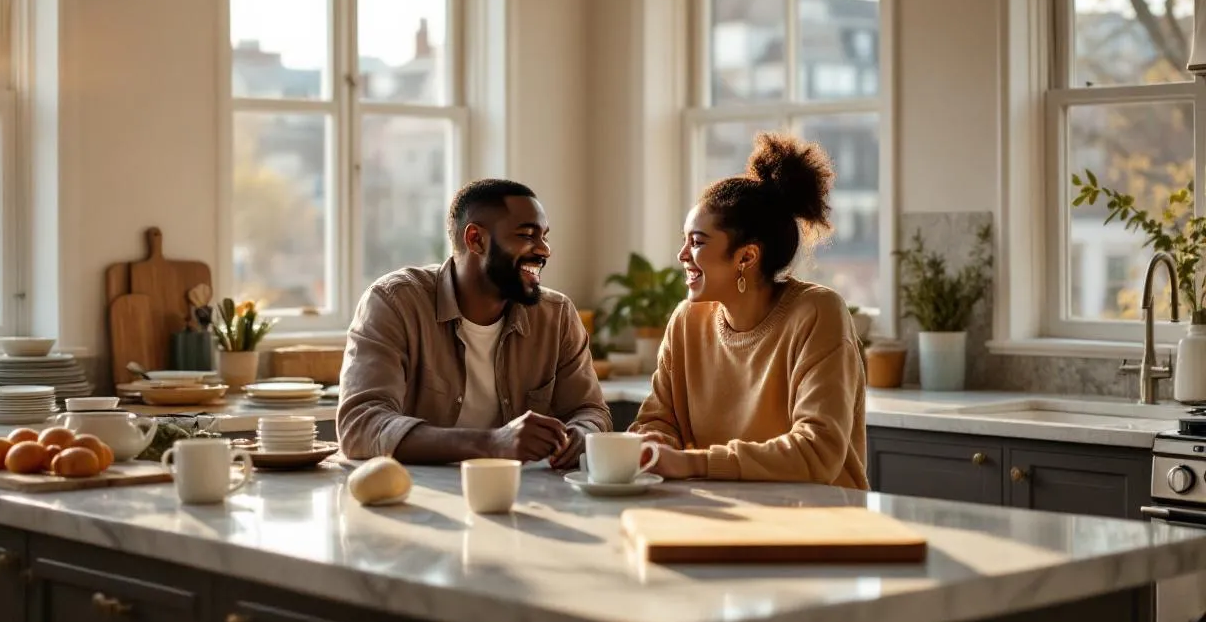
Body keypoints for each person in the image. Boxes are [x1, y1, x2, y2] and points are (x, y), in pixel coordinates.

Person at [629, 133, 868, 488]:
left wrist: (691, 463)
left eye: (696, 242)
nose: (682, 255)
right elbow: (657, 419)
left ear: (746, 257)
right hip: (729, 516)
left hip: (819, 522)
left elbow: (817, 453)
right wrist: (656, 441)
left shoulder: (818, 313)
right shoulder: (686, 321)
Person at [337, 179, 612, 466]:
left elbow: (591, 412)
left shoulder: (556, 317)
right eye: (527, 235)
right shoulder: (394, 303)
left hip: (525, 495)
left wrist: (581, 435)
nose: (544, 250)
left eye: (544, 236)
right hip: (415, 495)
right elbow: (360, 425)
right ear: (475, 239)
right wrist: (492, 443)